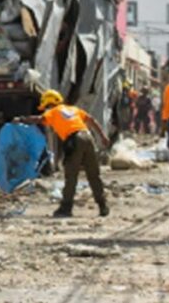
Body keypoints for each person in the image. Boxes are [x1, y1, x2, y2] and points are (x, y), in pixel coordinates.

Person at [15, 90, 110, 218]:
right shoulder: (73, 109)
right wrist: (103, 137)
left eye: (46, 106)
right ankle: (103, 206)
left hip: (74, 139)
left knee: (71, 176)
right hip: (88, 137)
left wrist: (21, 119)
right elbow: (91, 120)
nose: (45, 110)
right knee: (93, 174)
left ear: (49, 103)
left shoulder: (53, 112)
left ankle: (66, 208)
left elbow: (39, 119)